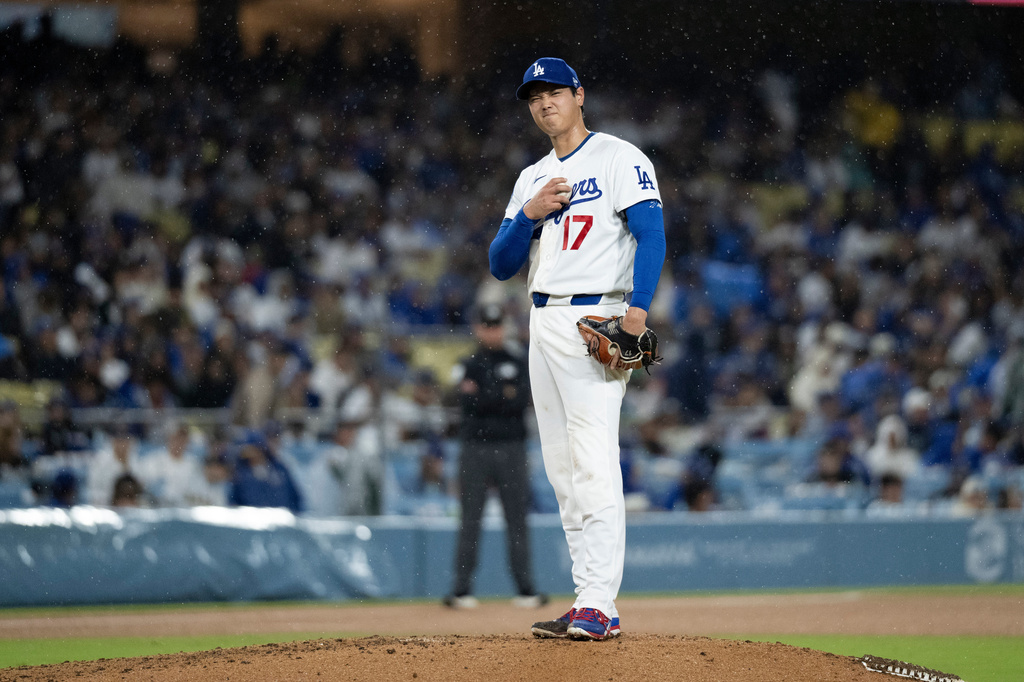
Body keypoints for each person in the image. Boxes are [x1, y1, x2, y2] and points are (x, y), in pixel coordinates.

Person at [489, 58, 666, 641]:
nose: (543, 103)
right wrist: (529, 215)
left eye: (554, 92)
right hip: (542, 319)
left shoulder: (619, 157)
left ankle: (601, 604)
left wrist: (636, 312)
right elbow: (500, 264)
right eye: (534, 96)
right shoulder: (531, 178)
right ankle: (586, 596)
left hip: (598, 315)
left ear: (579, 95)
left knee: (592, 462)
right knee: (563, 472)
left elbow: (652, 233)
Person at [443, 303, 545, 610]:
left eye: (496, 324)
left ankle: (526, 588)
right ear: (478, 328)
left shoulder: (515, 359)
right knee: (470, 519)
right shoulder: (468, 362)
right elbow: (467, 403)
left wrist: (485, 395)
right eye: (487, 325)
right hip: (475, 447)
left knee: (516, 519)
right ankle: (461, 589)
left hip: (511, 447)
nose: (492, 331)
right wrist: (501, 394)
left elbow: (520, 401)